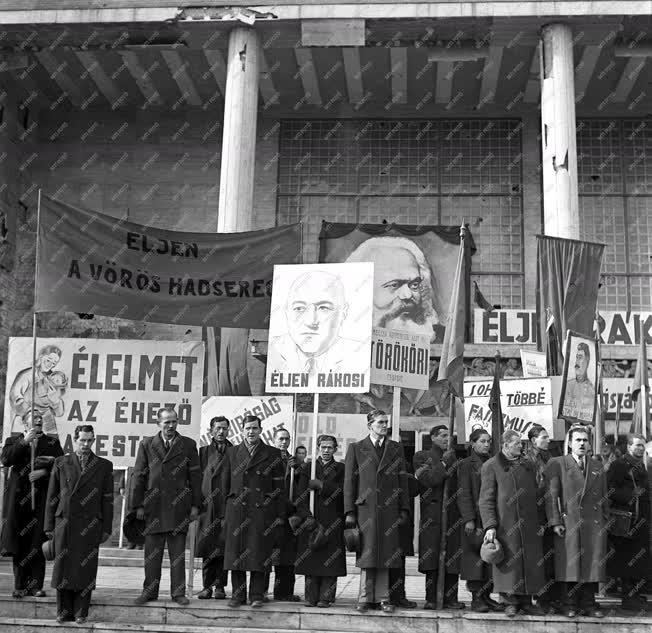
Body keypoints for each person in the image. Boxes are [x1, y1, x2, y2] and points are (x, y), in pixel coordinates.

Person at [131, 406, 201, 606]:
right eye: (166, 422)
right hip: (152, 508)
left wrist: (196, 505)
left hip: (179, 508)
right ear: (158, 423)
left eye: (174, 421)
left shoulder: (188, 445)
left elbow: (195, 477)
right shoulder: (146, 444)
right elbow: (139, 476)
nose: (171, 426)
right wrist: (138, 506)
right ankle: (149, 592)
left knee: (177, 555)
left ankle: (178, 593)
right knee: (152, 555)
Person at [44, 425, 113, 624]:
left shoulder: (103, 465)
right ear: (74, 440)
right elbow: (52, 496)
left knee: (85, 568)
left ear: (94, 440)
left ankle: (81, 612)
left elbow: (107, 500)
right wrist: (49, 526)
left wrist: (106, 527)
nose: (85, 444)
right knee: (63, 567)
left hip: (90, 524)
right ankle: (63, 611)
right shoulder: (61, 462)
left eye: (90, 440)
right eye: (82, 440)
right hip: (64, 522)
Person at [344, 409, 410, 613]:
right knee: (368, 554)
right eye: (380, 422)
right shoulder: (356, 448)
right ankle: (364, 598)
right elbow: (349, 481)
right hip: (366, 509)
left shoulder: (396, 448)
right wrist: (349, 510)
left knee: (386, 553)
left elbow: (402, 480)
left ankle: (383, 598)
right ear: (369, 425)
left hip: (389, 509)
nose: (384, 425)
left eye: (386, 422)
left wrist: (404, 507)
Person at [479, 429, 545, 617]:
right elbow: (486, 499)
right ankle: (509, 601)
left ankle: (526, 600)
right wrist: (490, 526)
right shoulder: (491, 466)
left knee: (529, 562)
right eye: (517, 443)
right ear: (506, 445)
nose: (521, 446)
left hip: (529, 524)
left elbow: (535, 492)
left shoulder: (528, 465)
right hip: (505, 525)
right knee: (509, 563)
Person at [223, 414, 286, 608]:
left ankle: (257, 595)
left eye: (255, 428)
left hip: (261, 511)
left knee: (259, 553)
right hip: (237, 511)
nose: (251, 432)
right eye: (248, 428)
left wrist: (272, 508)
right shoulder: (231, 453)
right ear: (242, 430)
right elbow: (224, 485)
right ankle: (237, 595)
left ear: (261, 430)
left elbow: (279, 488)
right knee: (236, 553)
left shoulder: (273, 454)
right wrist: (226, 509)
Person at [545, 425, 608, 618]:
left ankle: (589, 603)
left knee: (592, 563)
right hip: (569, 521)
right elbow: (551, 495)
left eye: (585, 440)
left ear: (589, 444)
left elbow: (604, 496)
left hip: (593, 523)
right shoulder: (557, 463)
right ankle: (568, 603)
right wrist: (555, 521)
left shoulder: (597, 465)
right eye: (578, 440)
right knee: (569, 563)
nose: (582, 443)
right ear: (570, 443)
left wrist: (605, 520)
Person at [1, 411, 63, 598]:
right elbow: (6, 460)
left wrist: (44, 472)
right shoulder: (13, 441)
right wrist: (24, 442)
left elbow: (61, 465)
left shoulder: (52, 443)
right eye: (34, 417)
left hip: (42, 499)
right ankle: (19, 585)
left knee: (37, 541)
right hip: (18, 501)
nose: (38, 420)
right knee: (19, 542)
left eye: (40, 418)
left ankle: (36, 585)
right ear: (24, 422)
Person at [267, 271, 367, 385]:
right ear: (286, 311)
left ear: (343, 312)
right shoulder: (274, 350)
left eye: (323, 308)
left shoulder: (360, 354)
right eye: (299, 308)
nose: (310, 321)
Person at [345, 235, 440, 339]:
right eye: (394, 285)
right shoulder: (341, 346)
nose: (407, 295)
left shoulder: (448, 343)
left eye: (414, 285)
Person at [413, 424, 463, 610]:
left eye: (448, 436)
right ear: (433, 437)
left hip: (452, 516)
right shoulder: (421, 457)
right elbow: (428, 480)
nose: (446, 439)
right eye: (442, 435)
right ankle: (431, 598)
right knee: (431, 558)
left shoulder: (455, 459)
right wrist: (443, 464)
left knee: (452, 558)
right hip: (432, 516)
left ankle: (451, 598)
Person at [294, 434, 347, 607]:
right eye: (323, 447)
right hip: (312, 518)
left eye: (330, 447)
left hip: (333, 519)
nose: (326, 451)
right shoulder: (308, 468)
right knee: (311, 559)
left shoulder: (341, 469)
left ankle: (326, 597)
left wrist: (323, 486)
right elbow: (299, 496)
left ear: (335, 449)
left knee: (330, 561)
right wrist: (305, 516)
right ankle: (311, 596)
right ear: (318, 448)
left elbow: (344, 492)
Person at [457, 429, 503, 613]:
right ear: (473, 443)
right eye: (482, 441)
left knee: (490, 557)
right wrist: (468, 518)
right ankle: (477, 598)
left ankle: (487, 596)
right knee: (475, 559)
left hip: (491, 517)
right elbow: (464, 493)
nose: (486, 444)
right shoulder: (467, 464)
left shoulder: (495, 463)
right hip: (475, 520)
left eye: (489, 441)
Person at [607, 433, 650, 611]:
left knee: (639, 558)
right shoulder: (619, 465)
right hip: (626, 521)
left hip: (641, 520)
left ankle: (634, 593)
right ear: (629, 447)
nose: (640, 448)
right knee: (627, 559)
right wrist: (630, 495)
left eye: (642, 445)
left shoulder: (643, 465)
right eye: (637, 445)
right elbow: (609, 489)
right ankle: (627, 596)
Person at [523, 424, 559, 614]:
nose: (548, 440)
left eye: (547, 437)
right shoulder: (527, 461)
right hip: (534, 516)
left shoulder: (551, 458)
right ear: (533, 440)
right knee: (536, 560)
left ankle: (549, 598)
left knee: (549, 558)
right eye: (543, 437)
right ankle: (536, 598)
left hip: (549, 514)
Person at [196, 416, 233, 600]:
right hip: (207, 508)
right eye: (218, 428)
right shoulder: (202, 453)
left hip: (227, 508)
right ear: (211, 430)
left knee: (224, 549)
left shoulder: (235, 452)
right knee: (208, 548)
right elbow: (195, 481)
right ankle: (206, 586)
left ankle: (220, 586)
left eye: (225, 428)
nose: (221, 432)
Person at [265, 427, 300, 602]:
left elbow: (300, 485)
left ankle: (283, 592)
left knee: (287, 557)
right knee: (265, 555)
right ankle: (260, 591)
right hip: (270, 514)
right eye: (280, 439)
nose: (284, 442)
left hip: (288, 514)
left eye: (287, 439)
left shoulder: (293, 461)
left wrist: (298, 469)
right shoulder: (267, 458)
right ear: (274, 439)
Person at [8, 345, 66, 435]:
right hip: (27, 419)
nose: (50, 365)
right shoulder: (26, 375)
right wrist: (32, 412)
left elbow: (59, 412)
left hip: (47, 422)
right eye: (48, 360)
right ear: (41, 357)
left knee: (50, 445)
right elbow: (15, 399)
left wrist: (55, 401)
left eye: (54, 363)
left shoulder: (54, 379)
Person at [562, 342, 595, 421]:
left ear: (587, 361)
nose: (577, 362)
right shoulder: (568, 386)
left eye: (580, 357)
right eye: (576, 357)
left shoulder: (592, 389)